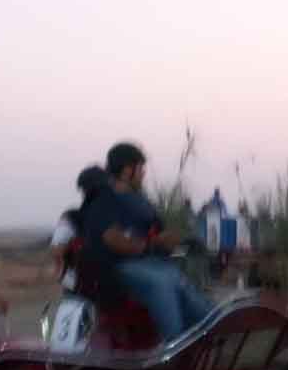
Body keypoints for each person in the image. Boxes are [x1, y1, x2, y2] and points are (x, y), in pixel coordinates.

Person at [81, 141, 214, 341]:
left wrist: (183, 242)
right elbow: (112, 238)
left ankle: (209, 323)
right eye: (140, 168)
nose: (143, 174)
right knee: (161, 280)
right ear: (127, 170)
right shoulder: (104, 198)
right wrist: (151, 244)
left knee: (176, 274)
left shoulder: (140, 200)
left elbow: (159, 233)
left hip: (148, 261)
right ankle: (174, 341)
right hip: (116, 267)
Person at [50, 165, 110, 291]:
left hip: (85, 288)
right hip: (82, 290)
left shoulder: (71, 217)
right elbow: (57, 253)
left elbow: (57, 254)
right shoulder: (72, 218)